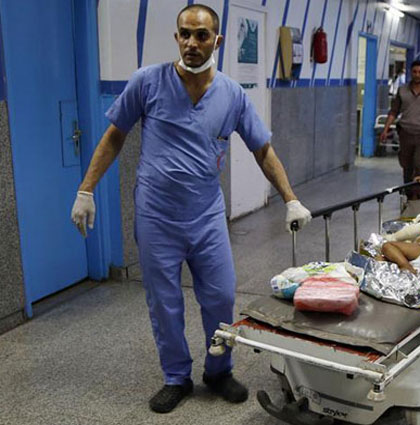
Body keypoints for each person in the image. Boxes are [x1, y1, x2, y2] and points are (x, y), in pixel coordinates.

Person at [68, 5, 312, 414]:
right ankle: (176, 377)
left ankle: (218, 370)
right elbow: (114, 135)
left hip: (206, 216)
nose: (191, 43)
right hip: (156, 215)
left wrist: (291, 199)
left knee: (220, 295)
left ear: (217, 41)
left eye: (201, 35)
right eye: (185, 34)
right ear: (176, 37)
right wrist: (85, 189)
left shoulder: (232, 95)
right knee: (164, 302)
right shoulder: (148, 82)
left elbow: (262, 149)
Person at [380, 60, 420, 200]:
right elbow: (394, 111)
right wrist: (385, 129)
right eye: (414, 72)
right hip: (406, 133)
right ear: (410, 73)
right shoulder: (402, 90)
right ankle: (408, 194)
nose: (417, 75)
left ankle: (418, 195)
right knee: (407, 166)